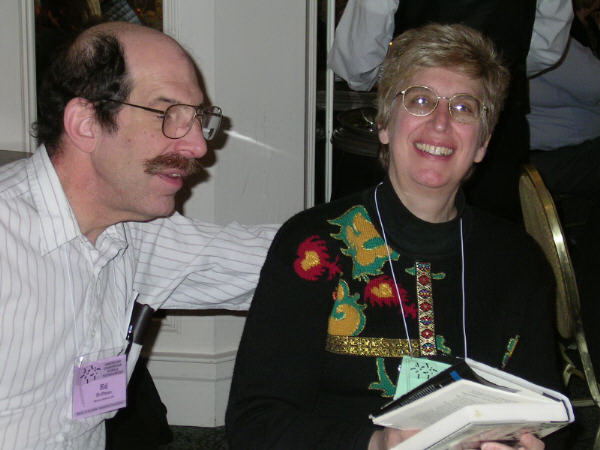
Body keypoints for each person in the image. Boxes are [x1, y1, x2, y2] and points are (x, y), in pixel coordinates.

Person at [226, 23, 561, 450]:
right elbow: (254, 424)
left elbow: (546, 410)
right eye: (420, 101)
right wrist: (378, 444)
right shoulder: (315, 244)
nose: (441, 123)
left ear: (482, 143)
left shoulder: (517, 261)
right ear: (385, 123)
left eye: (464, 108)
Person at [0, 21, 276, 449]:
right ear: (86, 122)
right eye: (168, 114)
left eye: (198, 118)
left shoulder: (130, 232)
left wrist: (405, 216)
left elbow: (283, 263)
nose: (199, 147)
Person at [327, 0, 573, 222]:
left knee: (384, 246)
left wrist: (403, 84)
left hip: (416, 122)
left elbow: (356, 62)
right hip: (495, 129)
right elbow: (547, 45)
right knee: (486, 250)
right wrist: (487, 83)